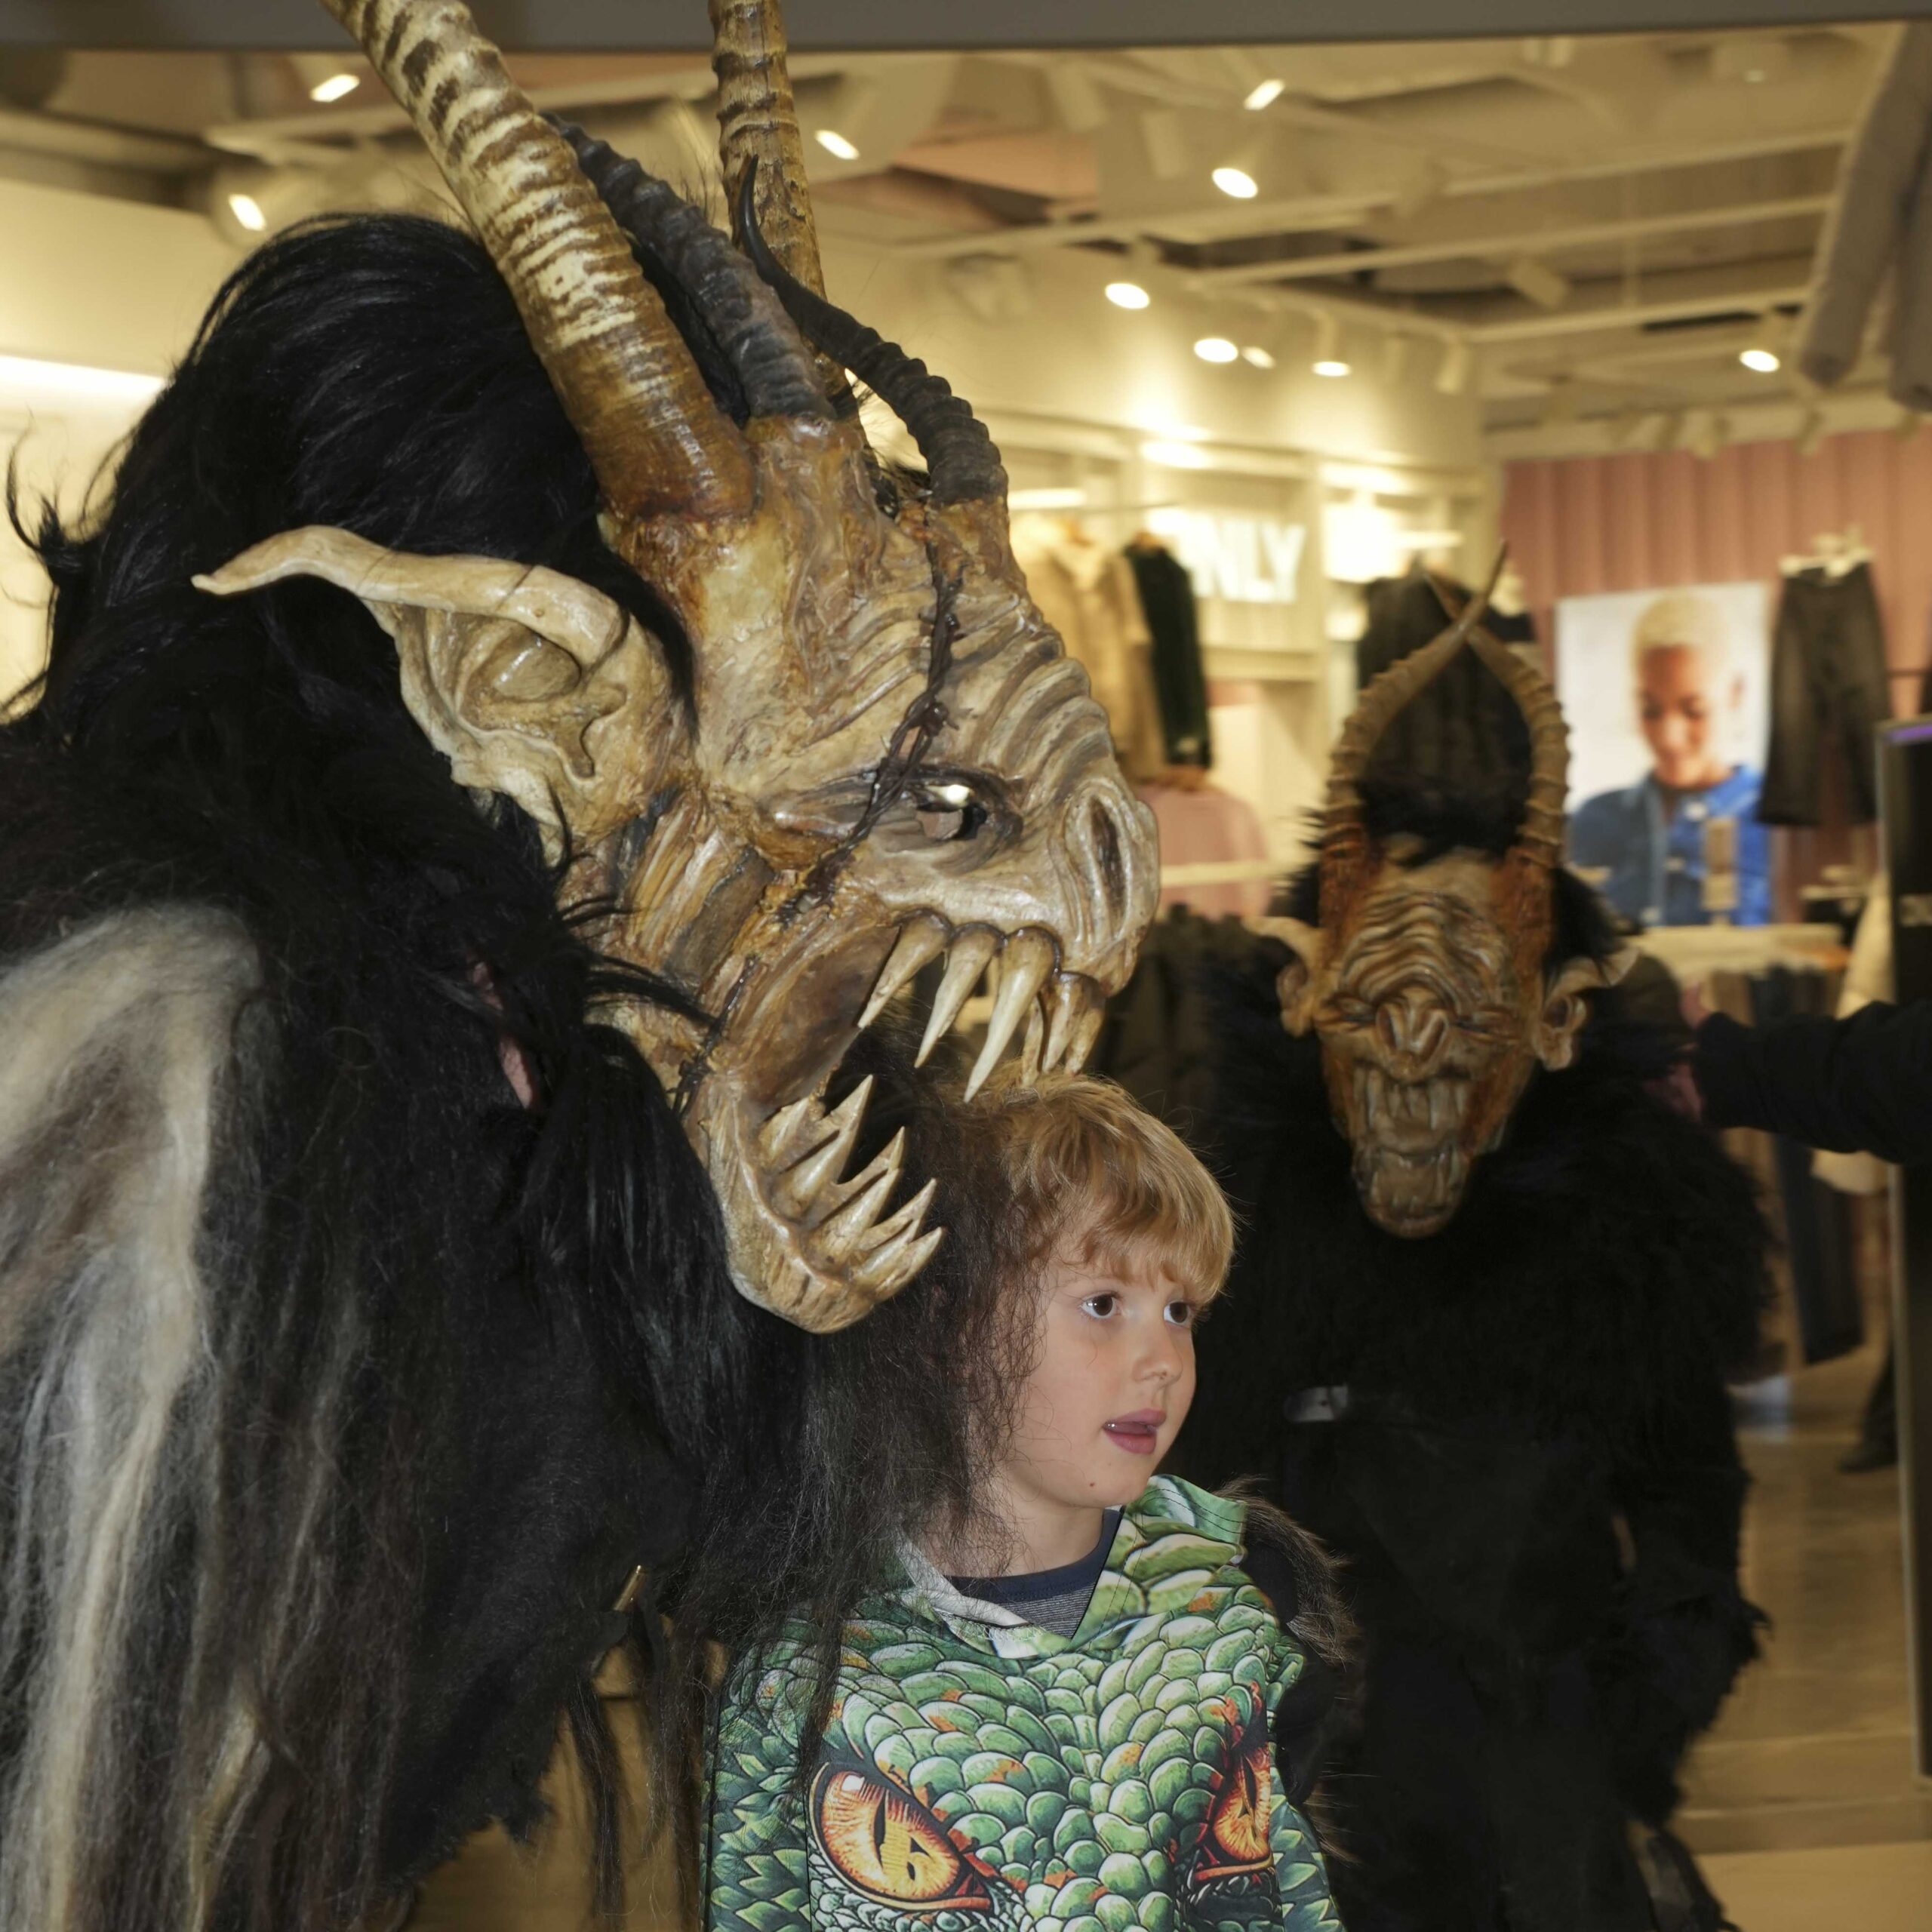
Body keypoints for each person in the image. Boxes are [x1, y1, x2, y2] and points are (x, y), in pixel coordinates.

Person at [703, 1072, 1347, 1932]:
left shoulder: (1233, 1610)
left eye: (1180, 1311)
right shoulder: (803, 1673)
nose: (1163, 1361)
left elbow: (1288, 1898)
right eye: (1103, 1303)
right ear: (949, 1327)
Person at [1570, 590, 1772, 927]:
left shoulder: (1771, 817)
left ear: (1735, 694)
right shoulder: (1593, 820)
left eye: (1695, 711)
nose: (1669, 737)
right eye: (1651, 711)